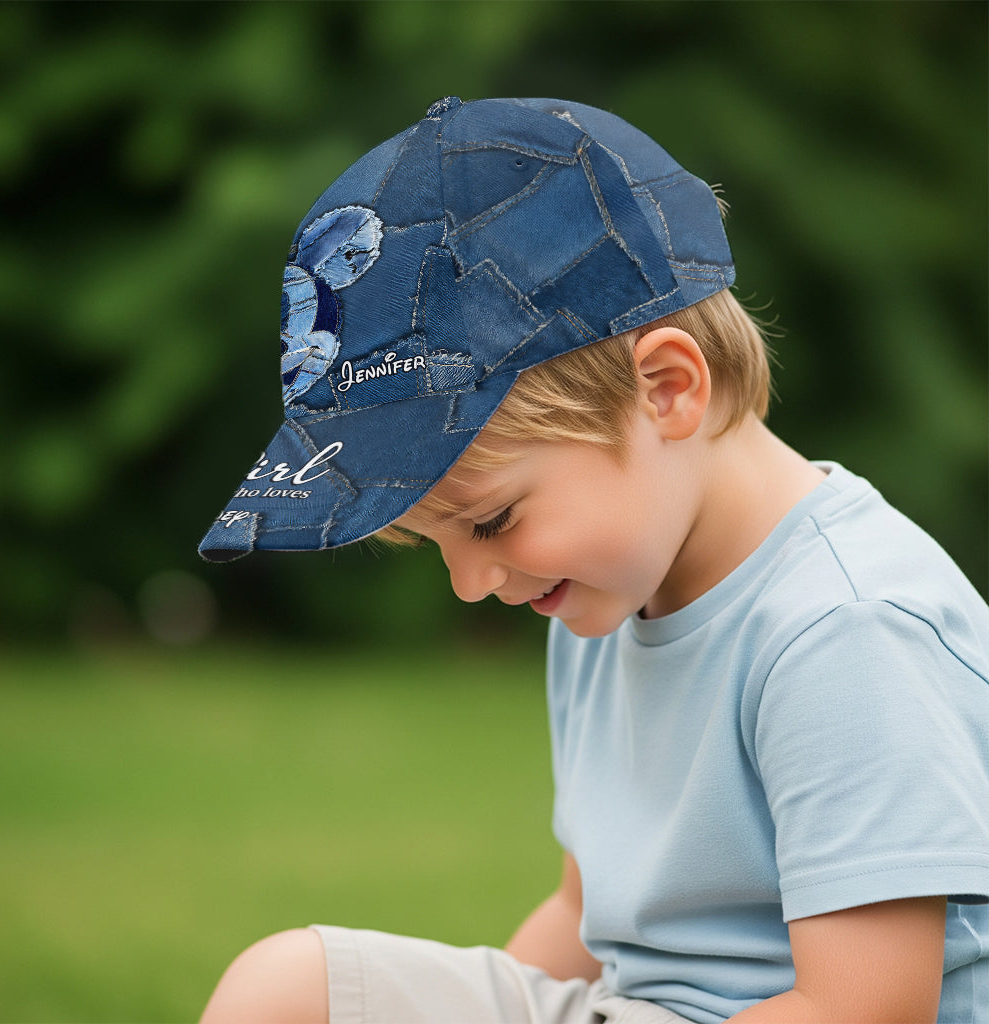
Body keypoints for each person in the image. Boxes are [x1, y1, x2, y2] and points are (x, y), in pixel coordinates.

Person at [197, 97, 989, 1023]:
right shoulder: (600, 595)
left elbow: (864, 1008)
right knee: (287, 990)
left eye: (489, 523)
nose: (469, 584)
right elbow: (585, 918)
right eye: (437, 543)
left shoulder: (843, 628)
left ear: (666, 390)